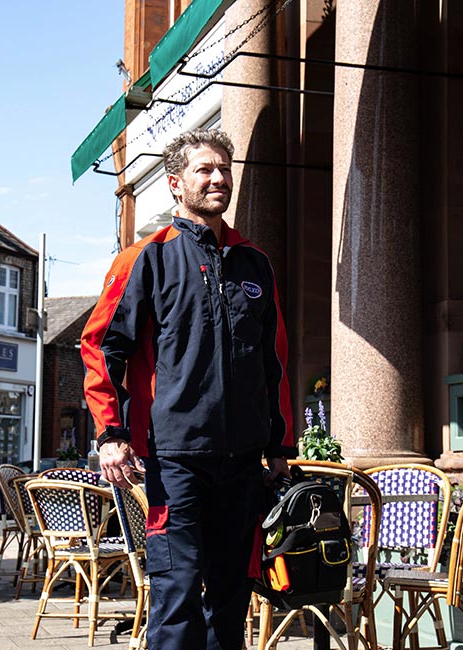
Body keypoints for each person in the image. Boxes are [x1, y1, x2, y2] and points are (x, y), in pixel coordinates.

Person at [81, 128, 296, 650]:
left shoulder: (255, 264)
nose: (219, 178)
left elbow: (275, 362)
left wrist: (280, 447)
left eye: (225, 168)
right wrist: (111, 434)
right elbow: (100, 346)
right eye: (205, 169)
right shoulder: (146, 259)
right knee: (176, 596)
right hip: (175, 458)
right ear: (176, 183)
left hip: (244, 460)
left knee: (232, 600)